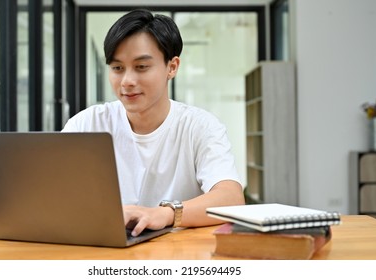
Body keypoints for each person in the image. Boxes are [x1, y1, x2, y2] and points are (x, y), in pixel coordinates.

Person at [62, 9, 245, 236]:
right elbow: (54, 192)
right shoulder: (86, 124)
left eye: (141, 67)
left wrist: (165, 214)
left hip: (179, 255)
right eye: (117, 68)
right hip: (105, 250)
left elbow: (231, 198)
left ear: (172, 67)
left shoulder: (201, 126)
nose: (127, 81)